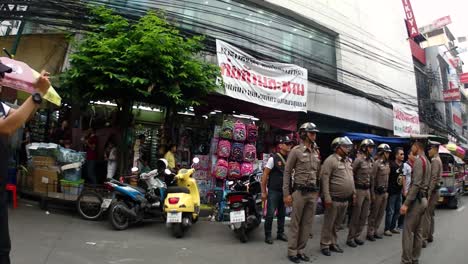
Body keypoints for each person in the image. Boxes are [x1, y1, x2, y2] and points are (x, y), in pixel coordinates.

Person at [0, 67, 51, 264]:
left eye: (2, 76)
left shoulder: (2, 107)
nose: (1, 80)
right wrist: (37, 94)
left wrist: (36, 91)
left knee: (3, 250)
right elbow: (7, 127)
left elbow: (22, 117)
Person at [282, 122, 321, 263]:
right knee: (296, 223)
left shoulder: (316, 152)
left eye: (315, 133)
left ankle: (301, 250)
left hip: (312, 193)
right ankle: (292, 252)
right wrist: (286, 194)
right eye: (311, 133)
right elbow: (287, 172)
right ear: (304, 134)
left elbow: (318, 174)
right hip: (299, 192)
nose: (314, 135)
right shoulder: (296, 151)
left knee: (307, 224)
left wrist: (319, 192)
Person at [320, 136, 355, 256]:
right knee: (329, 223)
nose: (348, 149)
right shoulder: (330, 160)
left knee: (337, 224)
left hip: (345, 199)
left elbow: (351, 178)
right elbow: (324, 179)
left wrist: (353, 192)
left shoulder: (347, 161)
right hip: (334, 199)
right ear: (337, 148)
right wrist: (327, 197)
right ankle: (325, 244)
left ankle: (333, 243)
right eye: (345, 147)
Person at [400, 138, 431, 264]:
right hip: (423, 199)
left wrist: (406, 204)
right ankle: (415, 258)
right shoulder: (427, 161)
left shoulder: (419, 160)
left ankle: (406, 260)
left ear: (417, 145)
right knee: (418, 231)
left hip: (417, 200)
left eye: (412, 145)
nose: (411, 148)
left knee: (407, 232)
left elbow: (416, 184)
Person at [261, 136, 293, 244]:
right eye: (287, 143)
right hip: (274, 191)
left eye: (290, 144)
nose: (289, 146)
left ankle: (280, 233)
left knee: (282, 213)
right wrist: (263, 192)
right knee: (270, 214)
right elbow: (265, 174)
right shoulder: (273, 158)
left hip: (285, 191)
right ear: (280, 145)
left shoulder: (290, 159)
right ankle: (268, 235)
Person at [347, 139, 375, 248]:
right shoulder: (358, 160)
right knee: (356, 215)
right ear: (364, 148)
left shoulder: (371, 160)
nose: (372, 149)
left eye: (372, 147)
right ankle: (350, 238)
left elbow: (371, 178)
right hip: (359, 189)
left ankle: (357, 236)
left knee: (364, 215)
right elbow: (351, 174)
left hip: (367, 190)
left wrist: (372, 193)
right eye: (370, 147)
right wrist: (353, 192)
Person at [367, 143, 391, 241]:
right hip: (377, 192)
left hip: (384, 192)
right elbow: (372, 179)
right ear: (382, 152)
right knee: (374, 213)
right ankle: (370, 232)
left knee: (381, 213)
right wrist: (372, 193)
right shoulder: (376, 163)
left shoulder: (387, 164)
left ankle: (376, 230)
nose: (388, 154)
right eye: (386, 152)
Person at [422, 140, 442, 247]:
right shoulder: (437, 159)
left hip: (433, 192)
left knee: (427, 215)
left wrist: (428, 193)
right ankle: (430, 235)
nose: (428, 151)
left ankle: (424, 238)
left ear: (435, 149)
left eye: (430, 149)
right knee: (431, 214)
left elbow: (433, 178)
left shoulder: (435, 160)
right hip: (436, 191)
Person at [384, 147, 405, 236]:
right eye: (401, 154)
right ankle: (387, 229)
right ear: (396, 155)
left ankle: (393, 227)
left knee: (398, 210)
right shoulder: (391, 165)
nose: (403, 156)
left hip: (399, 192)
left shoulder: (403, 165)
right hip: (392, 192)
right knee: (390, 211)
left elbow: (403, 177)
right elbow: (387, 177)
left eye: (403, 154)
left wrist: (404, 189)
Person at [398, 151, 414, 230]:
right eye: (412, 154)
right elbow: (403, 177)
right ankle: (400, 224)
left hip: (411, 190)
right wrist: (404, 190)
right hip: (406, 189)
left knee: (408, 207)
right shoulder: (405, 165)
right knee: (403, 206)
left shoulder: (413, 165)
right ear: (408, 156)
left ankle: (406, 223)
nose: (414, 156)